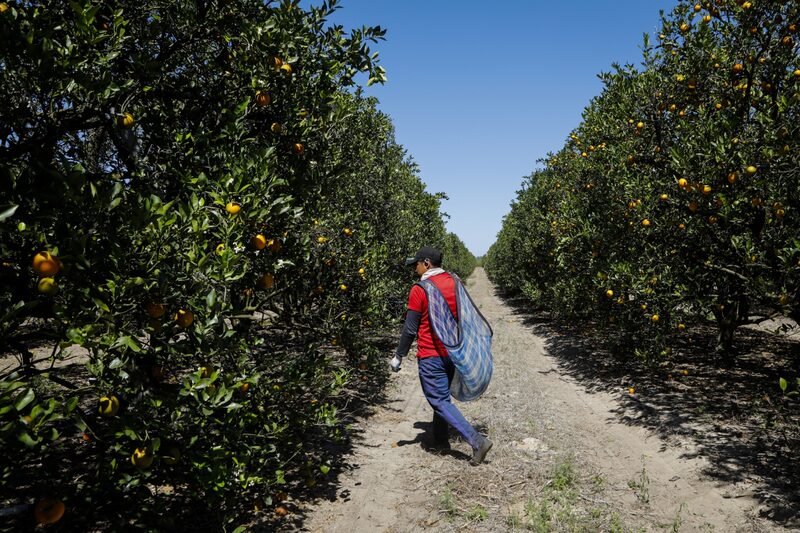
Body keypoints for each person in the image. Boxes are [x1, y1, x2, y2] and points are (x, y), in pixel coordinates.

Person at [390, 246, 493, 465]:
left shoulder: (420, 289)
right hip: (453, 352)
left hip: (431, 354)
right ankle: (440, 439)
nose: (415, 269)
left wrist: (399, 355)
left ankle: (477, 441)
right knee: (443, 398)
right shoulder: (454, 281)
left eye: (416, 264)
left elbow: (410, 328)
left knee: (437, 399)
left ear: (426, 263)